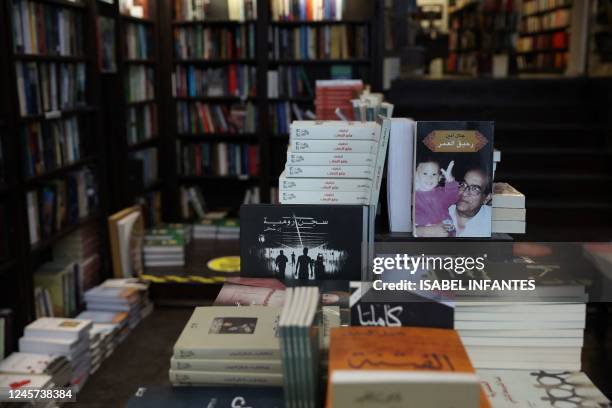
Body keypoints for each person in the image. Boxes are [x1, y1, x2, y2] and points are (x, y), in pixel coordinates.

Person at [416, 168, 491, 237]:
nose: (464, 193)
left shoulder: (490, 220)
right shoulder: (441, 206)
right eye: (463, 184)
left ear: (486, 198)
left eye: (474, 189)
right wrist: (422, 231)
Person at [414, 159, 458, 236]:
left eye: (434, 174)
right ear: (416, 175)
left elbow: (453, 197)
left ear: (439, 178)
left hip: (446, 232)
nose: (430, 177)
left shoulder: (441, 192)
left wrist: (450, 180)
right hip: (425, 232)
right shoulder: (413, 196)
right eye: (425, 173)